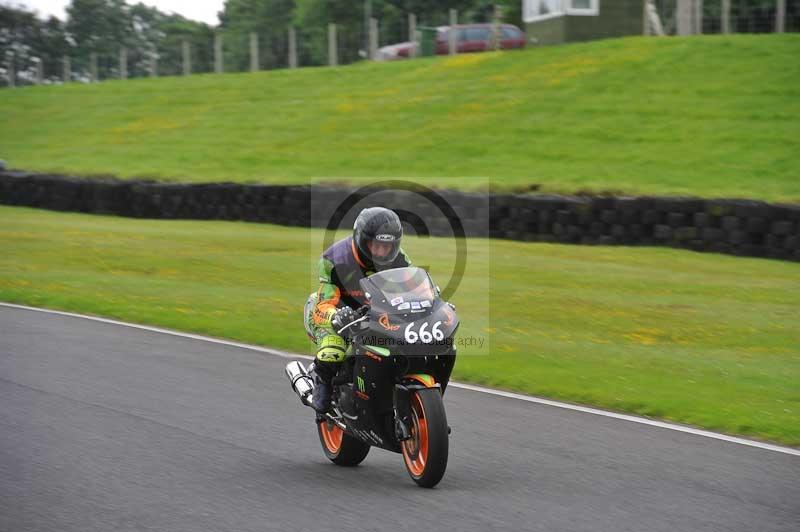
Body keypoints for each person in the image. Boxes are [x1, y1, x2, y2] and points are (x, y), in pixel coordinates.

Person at [304, 207, 412, 413]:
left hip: (376, 313)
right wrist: (337, 316)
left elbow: (412, 288)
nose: (382, 252)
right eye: (376, 246)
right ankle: (321, 380)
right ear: (361, 240)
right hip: (338, 313)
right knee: (332, 349)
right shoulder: (335, 260)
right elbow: (323, 304)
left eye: (387, 247)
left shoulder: (400, 259)